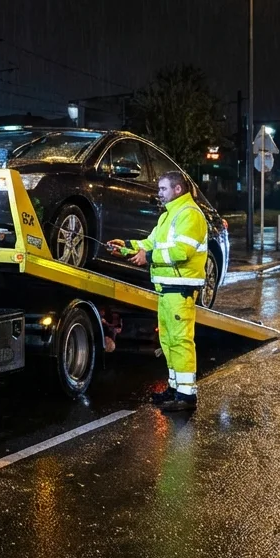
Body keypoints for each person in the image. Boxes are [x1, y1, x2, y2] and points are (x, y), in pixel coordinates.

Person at [106, 170, 208, 412]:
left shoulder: (189, 215)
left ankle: (186, 396)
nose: (158, 194)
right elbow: (150, 243)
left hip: (180, 288)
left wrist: (148, 257)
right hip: (167, 289)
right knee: (169, 340)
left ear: (177, 189)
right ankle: (176, 389)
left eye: (163, 189)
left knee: (180, 340)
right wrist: (126, 247)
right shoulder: (169, 216)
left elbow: (181, 252)